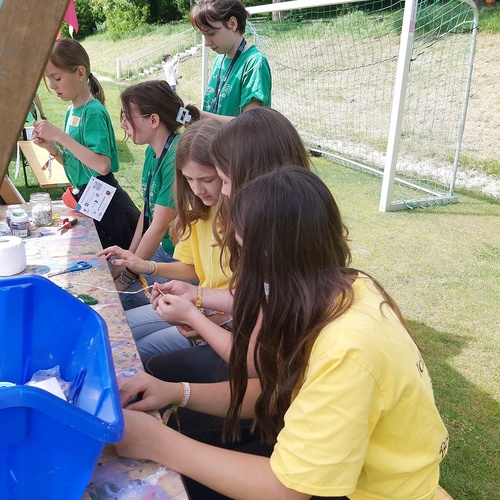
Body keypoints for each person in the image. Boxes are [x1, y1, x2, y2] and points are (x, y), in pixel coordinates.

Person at [116, 166, 449, 500]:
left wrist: (158, 443)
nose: (237, 264)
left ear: (270, 258)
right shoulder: (346, 286)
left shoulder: (348, 351)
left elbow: (287, 490)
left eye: (240, 248)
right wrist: (176, 392)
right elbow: (278, 391)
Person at [145, 107, 312, 383]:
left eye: (222, 179)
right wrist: (196, 296)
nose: (222, 191)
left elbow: (254, 362)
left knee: (153, 368)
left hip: (269, 374)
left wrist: (197, 316)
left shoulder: (270, 233)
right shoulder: (288, 216)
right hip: (242, 340)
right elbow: (255, 299)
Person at [98, 119, 231, 364]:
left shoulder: (239, 219)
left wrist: (197, 307)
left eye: (207, 179)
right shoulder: (198, 209)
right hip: (202, 308)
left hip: (223, 320)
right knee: (117, 331)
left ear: (226, 172)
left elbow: (248, 301)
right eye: (189, 179)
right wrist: (146, 266)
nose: (197, 189)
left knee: (131, 350)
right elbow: (192, 267)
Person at [33, 38, 140, 249]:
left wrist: (60, 136)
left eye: (57, 77)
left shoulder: (93, 111)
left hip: (108, 202)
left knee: (119, 257)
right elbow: (77, 161)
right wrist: (52, 149)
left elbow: (102, 165)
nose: (52, 85)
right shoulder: (71, 111)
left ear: (80, 73)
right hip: (89, 197)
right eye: (49, 79)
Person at [115, 81, 200, 309]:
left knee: (122, 300)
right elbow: (147, 213)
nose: (123, 124)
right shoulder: (151, 152)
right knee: (112, 280)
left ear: (153, 120)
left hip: (180, 261)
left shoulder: (175, 156)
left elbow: (159, 227)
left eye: (127, 118)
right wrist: (128, 261)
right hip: (165, 251)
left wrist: (127, 277)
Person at [190, 0, 272, 123]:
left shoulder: (254, 63)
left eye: (211, 33)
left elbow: (250, 124)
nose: (206, 42)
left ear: (233, 24)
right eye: (203, 35)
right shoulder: (220, 59)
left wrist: (201, 117)